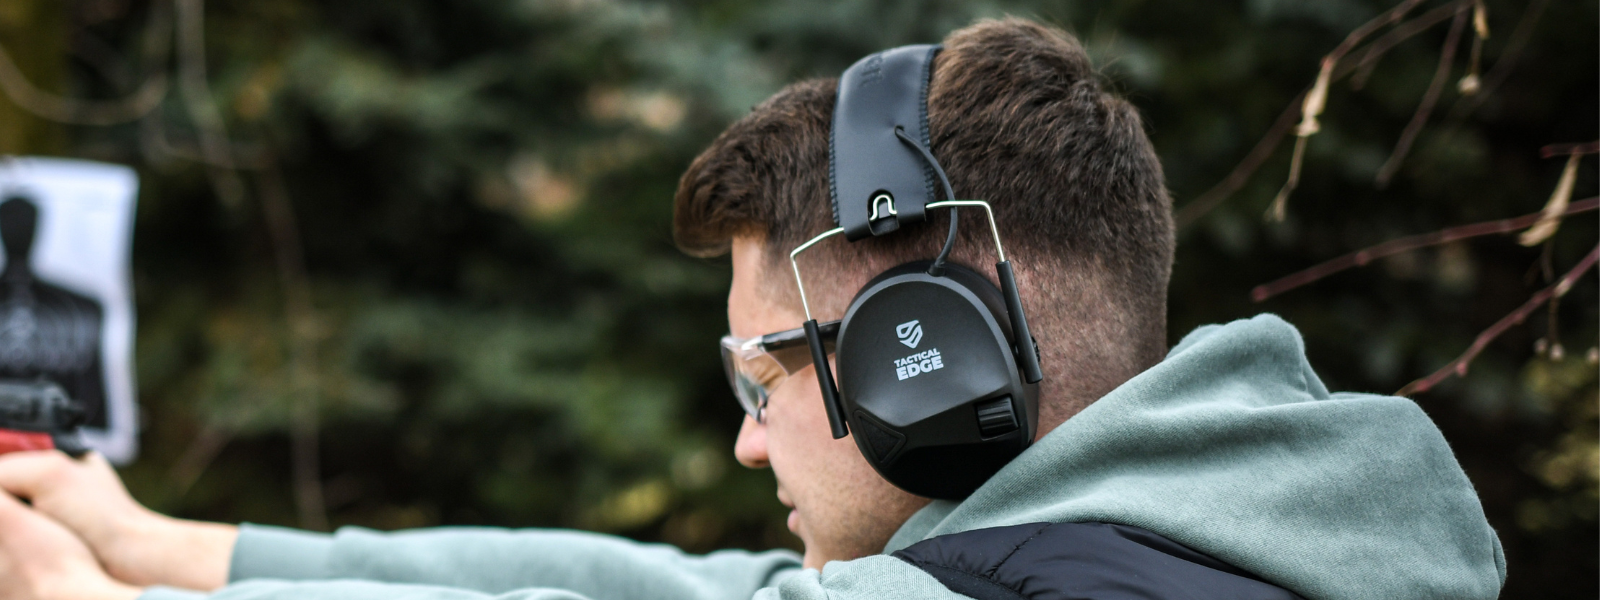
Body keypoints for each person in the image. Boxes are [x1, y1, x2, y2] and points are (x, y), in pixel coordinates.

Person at [0, 18, 1504, 600]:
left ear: (923, 352)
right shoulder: (1218, 538)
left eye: (761, 372)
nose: (745, 440)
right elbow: (649, 589)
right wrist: (160, 546)